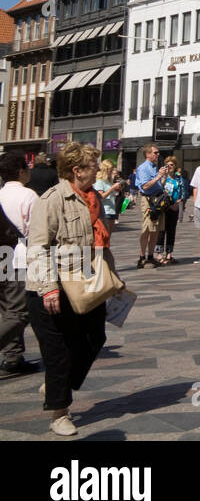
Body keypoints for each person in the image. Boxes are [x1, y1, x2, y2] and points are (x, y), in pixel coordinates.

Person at [25, 142, 111, 436]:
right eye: (93, 165)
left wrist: (112, 281)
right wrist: (48, 288)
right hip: (53, 287)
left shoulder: (93, 197)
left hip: (86, 281)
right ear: (77, 170)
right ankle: (59, 413)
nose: (98, 170)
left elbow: (100, 242)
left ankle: (56, 384)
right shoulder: (52, 200)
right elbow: (37, 247)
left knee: (95, 337)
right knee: (58, 352)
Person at [0, 152, 38, 376]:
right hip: (18, 256)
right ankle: (11, 355)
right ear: (21, 171)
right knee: (19, 312)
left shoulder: (1, 193)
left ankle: (13, 356)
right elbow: (35, 230)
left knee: (6, 307)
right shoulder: (29, 195)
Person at [133, 144, 169, 269]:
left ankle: (150, 256)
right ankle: (142, 257)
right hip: (148, 200)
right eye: (155, 152)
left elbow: (159, 185)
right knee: (147, 229)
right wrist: (158, 176)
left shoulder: (154, 167)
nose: (157, 155)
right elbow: (145, 186)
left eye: (158, 152)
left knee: (156, 229)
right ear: (148, 154)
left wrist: (163, 177)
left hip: (158, 199)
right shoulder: (143, 168)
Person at [93, 160, 125, 230]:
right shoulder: (100, 181)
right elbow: (101, 197)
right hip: (105, 211)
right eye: (110, 170)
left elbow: (111, 194)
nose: (112, 172)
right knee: (104, 235)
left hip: (111, 210)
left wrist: (116, 189)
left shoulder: (108, 181)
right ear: (105, 170)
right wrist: (112, 188)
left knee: (108, 237)